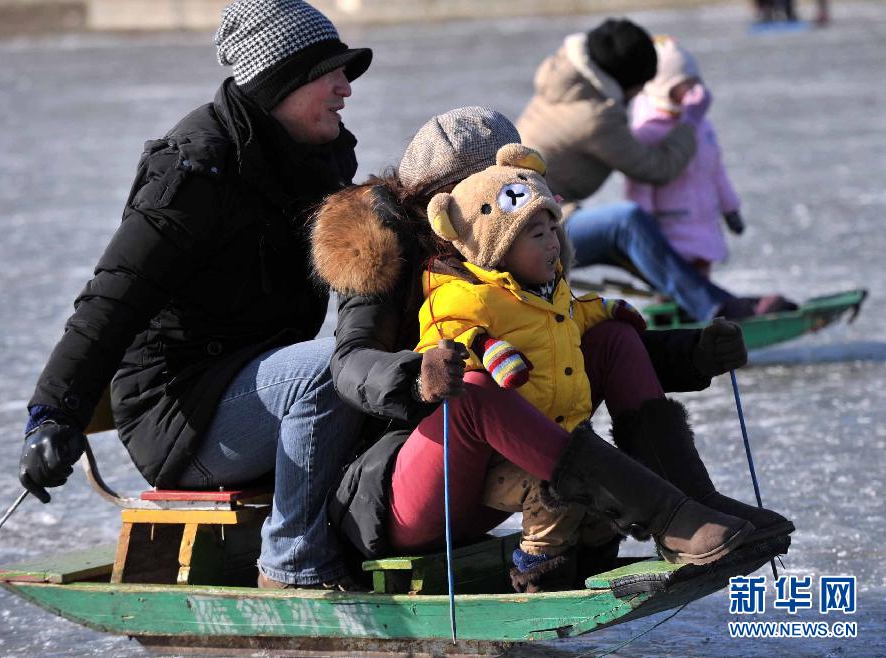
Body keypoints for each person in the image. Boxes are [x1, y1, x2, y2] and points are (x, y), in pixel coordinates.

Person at [312, 107, 791, 592]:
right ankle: (662, 513)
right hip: (410, 484)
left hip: (504, 477)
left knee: (612, 337)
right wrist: (420, 375)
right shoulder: (388, 250)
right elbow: (349, 363)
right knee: (474, 389)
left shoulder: (511, 251)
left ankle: (690, 500)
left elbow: (564, 337)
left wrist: (693, 353)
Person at [18, 0, 371, 591]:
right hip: (183, 416)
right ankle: (293, 567)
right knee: (325, 372)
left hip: (254, 385)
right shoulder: (194, 172)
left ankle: (380, 544)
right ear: (277, 81)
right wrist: (51, 414)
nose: (345, 89)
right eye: (327, 73)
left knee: (384, 363)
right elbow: (114, 298)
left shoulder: (315, 159)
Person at [516, 18, 795, 321]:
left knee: (628, 236)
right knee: (626, 223)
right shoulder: (597, 117)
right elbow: (658, 168)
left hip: (532, 217)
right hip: (533, 228)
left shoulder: (567, 81)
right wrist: (689, 121)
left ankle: (699, 301)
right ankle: (715, 307)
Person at [626, 36, 743, 281]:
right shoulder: (648, 132)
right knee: (673, 282)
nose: (693, 93)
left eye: (695, 83)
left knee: (703, 276)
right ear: (663, 88)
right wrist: (645, 227)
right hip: (669, 228)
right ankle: (671, 317)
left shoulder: (701, 127)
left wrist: (730, 208)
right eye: (684, 85)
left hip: (704, 220)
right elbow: (640, 187)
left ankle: (705, 316)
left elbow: (716, 170)